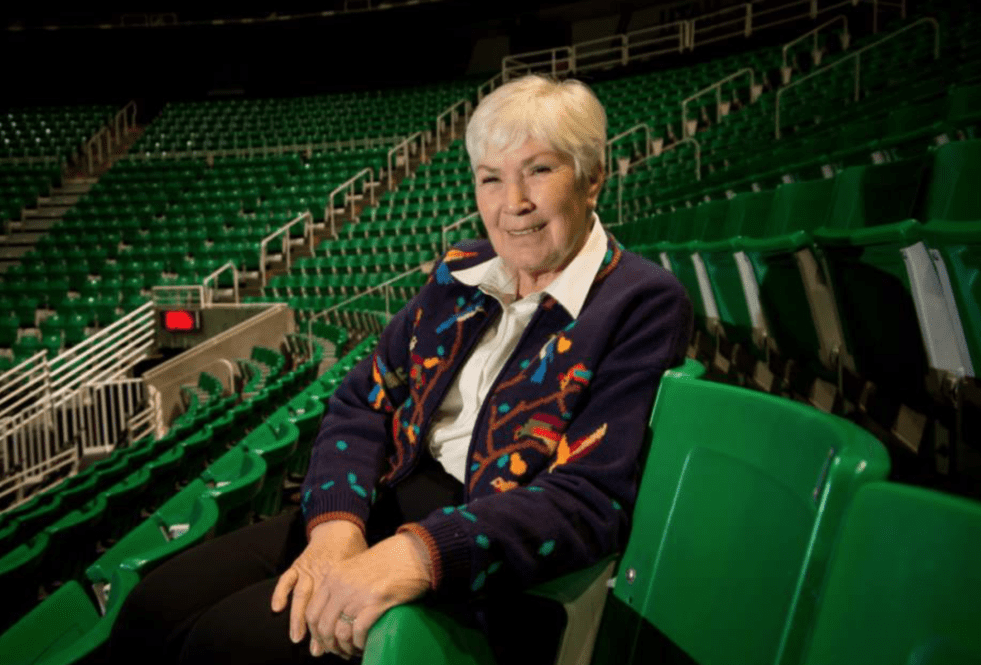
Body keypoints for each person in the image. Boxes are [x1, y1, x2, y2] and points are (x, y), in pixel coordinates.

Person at [108, 74, 692, 665]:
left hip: (487, 556)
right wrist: (337, 526)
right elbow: (361, 403)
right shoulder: (459, 272)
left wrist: (415, 555)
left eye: (539, 171)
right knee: (156, 605)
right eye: (491, 178)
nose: (512, 203)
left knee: (225, 644)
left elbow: (588, 498)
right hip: (382, 502)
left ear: (592, 177)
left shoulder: (642, 301)